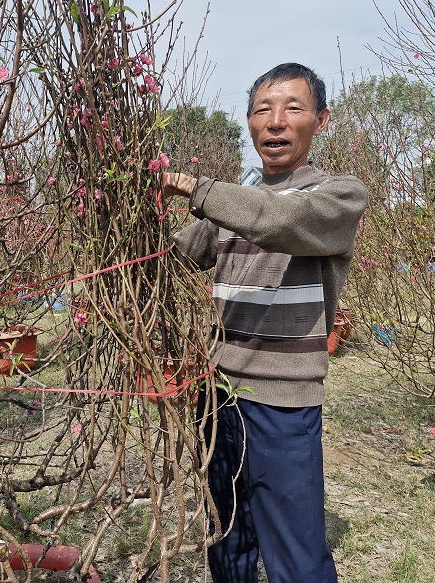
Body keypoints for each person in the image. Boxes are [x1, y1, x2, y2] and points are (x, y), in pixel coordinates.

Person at [164, 63, 369, 583]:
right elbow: (181, 252)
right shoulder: (232, 206)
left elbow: (278, 221)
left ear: (320, 121)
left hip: (283, 401)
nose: (275, 122)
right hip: (219, 394)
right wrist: (134, 207)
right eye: (262, 109)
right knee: (226, 539)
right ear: (250, 122)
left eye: (292, 109)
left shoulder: (337, 196)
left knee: (295, 558)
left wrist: (195, 188)